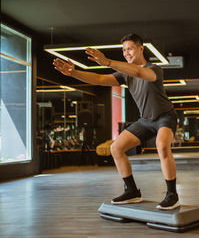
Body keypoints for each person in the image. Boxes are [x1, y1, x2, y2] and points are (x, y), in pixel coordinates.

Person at [53, 33, 179, 210]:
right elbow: (99, 79)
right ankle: (132, 191)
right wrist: (73, 72)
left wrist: (107, 62)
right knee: (116, 148)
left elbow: (139, 72)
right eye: (124, 50)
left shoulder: (154, 69)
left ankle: (172, 194)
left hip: (165, 116)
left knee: (162, 145)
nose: (126, 53)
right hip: (145, 120)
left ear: (140, 48)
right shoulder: (124, 74)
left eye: (130, 49)